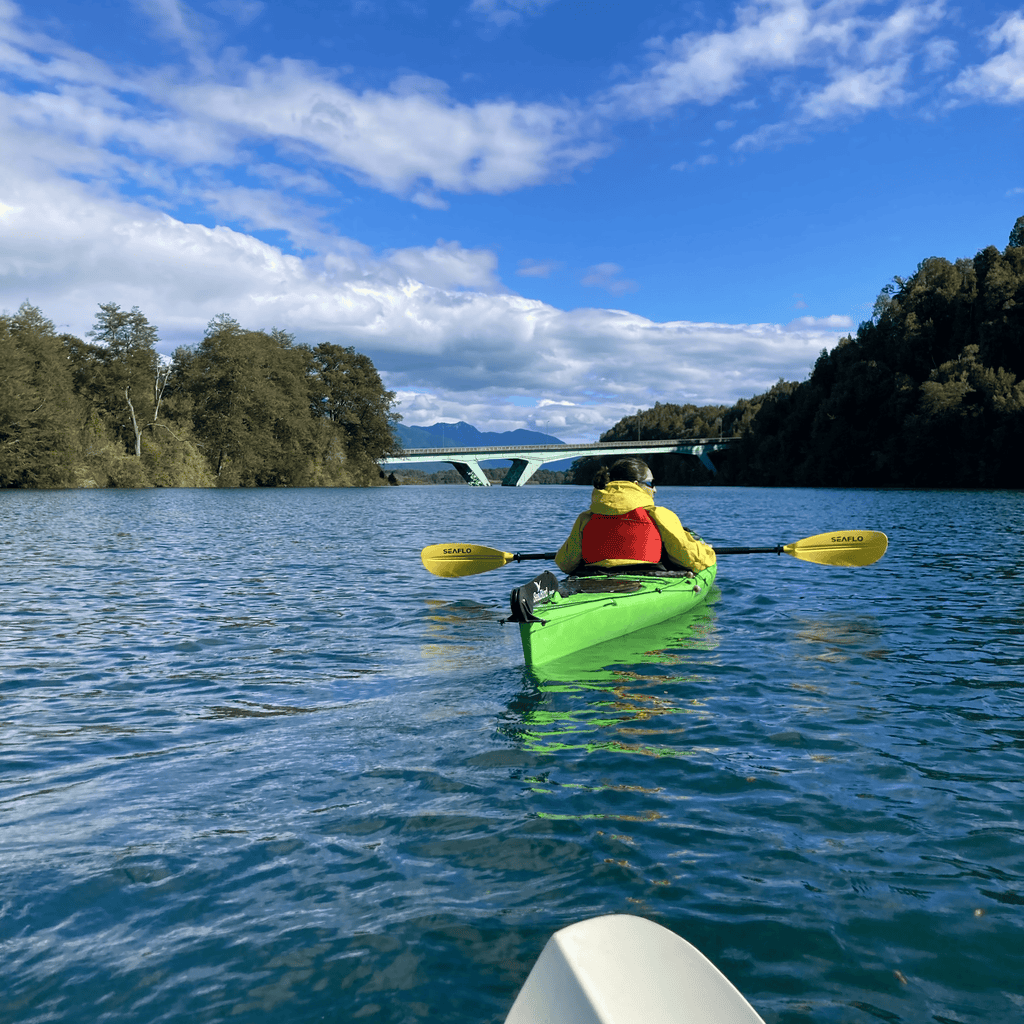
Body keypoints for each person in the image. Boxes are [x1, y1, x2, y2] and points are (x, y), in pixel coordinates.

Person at [555, 458, 716, 575]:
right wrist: (707, 551)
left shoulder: (586, 519)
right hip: (649, 580)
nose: (655, 490)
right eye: (651, 483)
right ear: (636, 485)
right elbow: (691, 559)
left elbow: (565, 563)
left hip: (593, 582)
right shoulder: (658, 515)